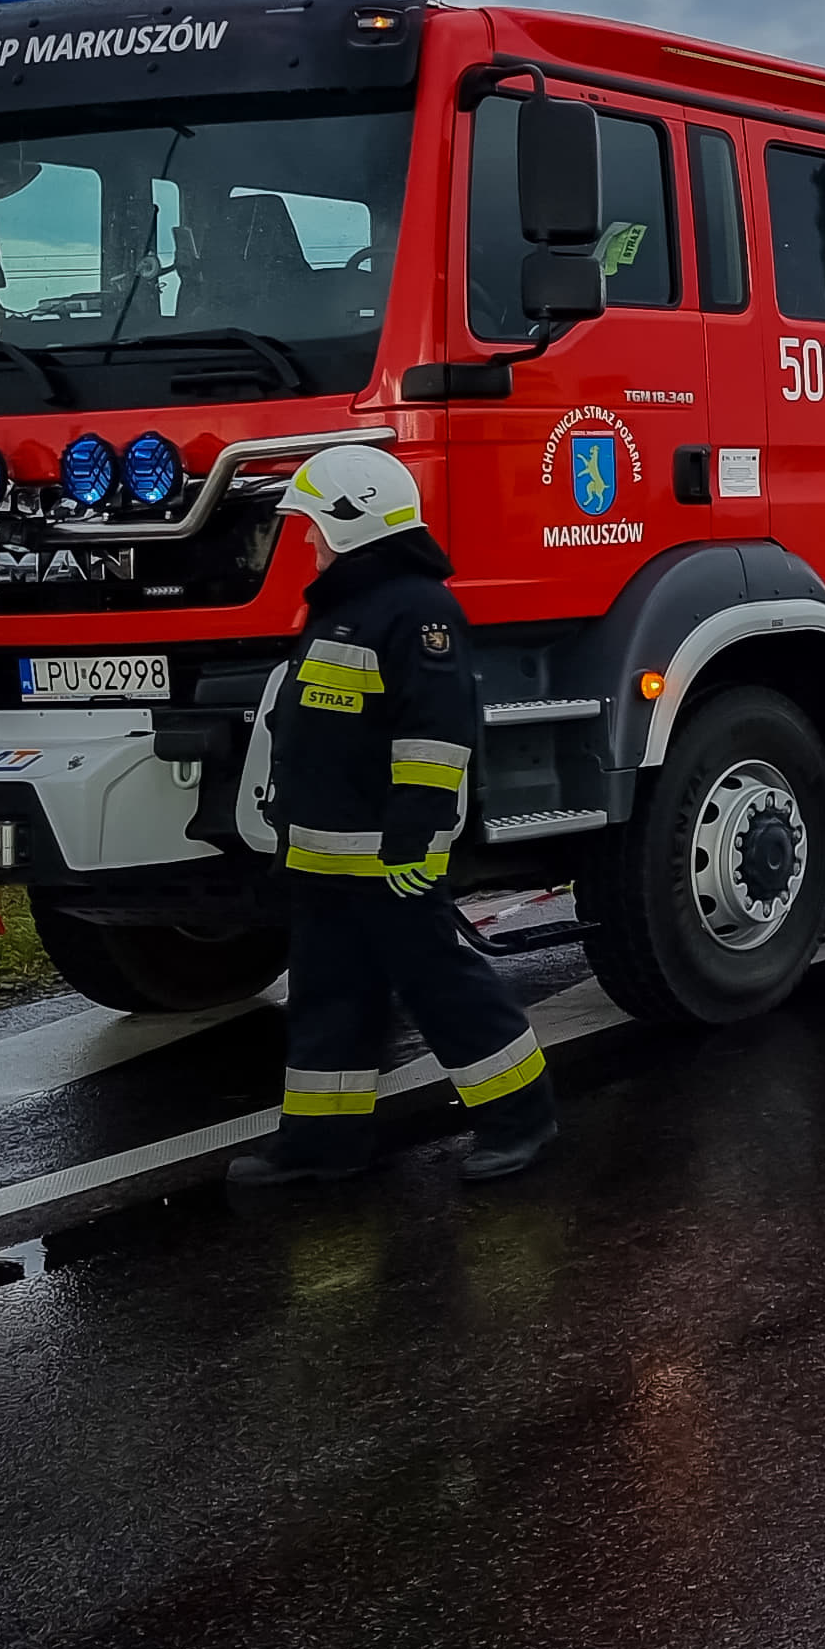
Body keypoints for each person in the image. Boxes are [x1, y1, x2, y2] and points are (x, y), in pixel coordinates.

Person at [227, 446, 559, 1188]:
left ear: (352, 519)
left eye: (315, 524)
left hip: (389, 858)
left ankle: (520, 1121)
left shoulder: (417, 612)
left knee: (446, 991)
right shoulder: (345, 607)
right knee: (327, 1000)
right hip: (324, 860)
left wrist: (413, 839)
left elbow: (435, 741)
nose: (307, 539)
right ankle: (323, 1147)